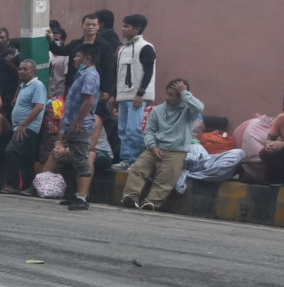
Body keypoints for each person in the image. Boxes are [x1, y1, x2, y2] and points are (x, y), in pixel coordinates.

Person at [121, 79, 204, 210]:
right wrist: (153, 146)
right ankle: (130, 197)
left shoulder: (189, 111)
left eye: (172, 95)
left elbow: (199, 107)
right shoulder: (158, 110)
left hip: (176, 151)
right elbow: (149, 131)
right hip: (154, 148)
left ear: (182, 97)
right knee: (138, 168)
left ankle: (151, 202)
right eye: (167, 94)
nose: (168, 98)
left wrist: (184, 92)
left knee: (166, 178)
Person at [58, 43, 101, 211]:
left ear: (87, 58)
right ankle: (76, 194)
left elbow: (88, 100)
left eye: (77, 56)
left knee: (82, 160)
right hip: (72, 125)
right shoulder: (81, 74)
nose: (75, 59)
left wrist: (76, 122)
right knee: (75, 160)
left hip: (80, 125)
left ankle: (82, 198)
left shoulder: (90, 75)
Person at [111, 14, 155, 168]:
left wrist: (140, 93)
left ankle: (137, 161)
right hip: (123, 95)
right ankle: (126, 159)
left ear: (137, 29)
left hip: (137, 96)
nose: (123, 29)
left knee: (133, 129)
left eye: (126, 26)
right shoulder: (123, 49)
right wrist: (115, 95)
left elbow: (149, 71)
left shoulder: (146, 47)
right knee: (122, 129)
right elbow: (120, 74)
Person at [0, 58, 47, 194]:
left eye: (25, 69)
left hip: (27, 127)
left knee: (11, 151)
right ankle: (28, 187)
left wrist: (24, 124)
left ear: (33, 71)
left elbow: (39, 107)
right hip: (20, 126)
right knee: (26, 158)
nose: (21, 71)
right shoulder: (23, 86)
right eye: (20, 69)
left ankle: (13, 185)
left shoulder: (37, 85)